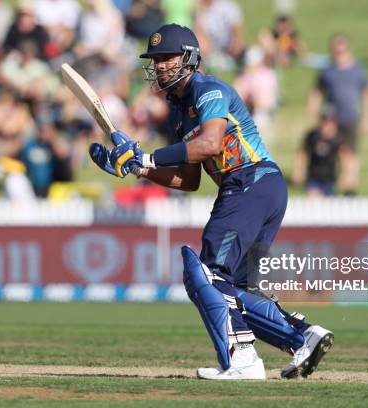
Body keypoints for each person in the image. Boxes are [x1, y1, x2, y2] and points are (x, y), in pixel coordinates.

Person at [89, 24, 333, 380]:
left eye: (166, 58)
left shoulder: (208, 88)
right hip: (255, 189)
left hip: (250, 181)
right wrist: (140, 169)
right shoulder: (177, 111)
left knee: (206, 274)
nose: (159, 66)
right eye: (155, 60)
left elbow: (211, 144)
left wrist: (149, 156)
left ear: (189, 58)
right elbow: (188, 179)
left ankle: (242, 361)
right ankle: (303, 338)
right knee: (234, 287)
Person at [306, 34, 368, 196]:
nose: (339, 53)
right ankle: (331, 183)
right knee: (331, 152)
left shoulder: (358, 69)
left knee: (351, 151)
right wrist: (312, 112)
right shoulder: (327, 70)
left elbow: (367, 94)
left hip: (351, 117)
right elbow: (317, 91)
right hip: (331, 120)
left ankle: (350, 186)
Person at [293, 106, 342, 198]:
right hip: (313, 179)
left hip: (330, 180)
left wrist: (343, 177)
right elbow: (301, 153)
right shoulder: (312, 136)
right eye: (324, 121)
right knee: (314, 201)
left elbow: (346, 158)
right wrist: (299, 172)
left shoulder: (338, 139)